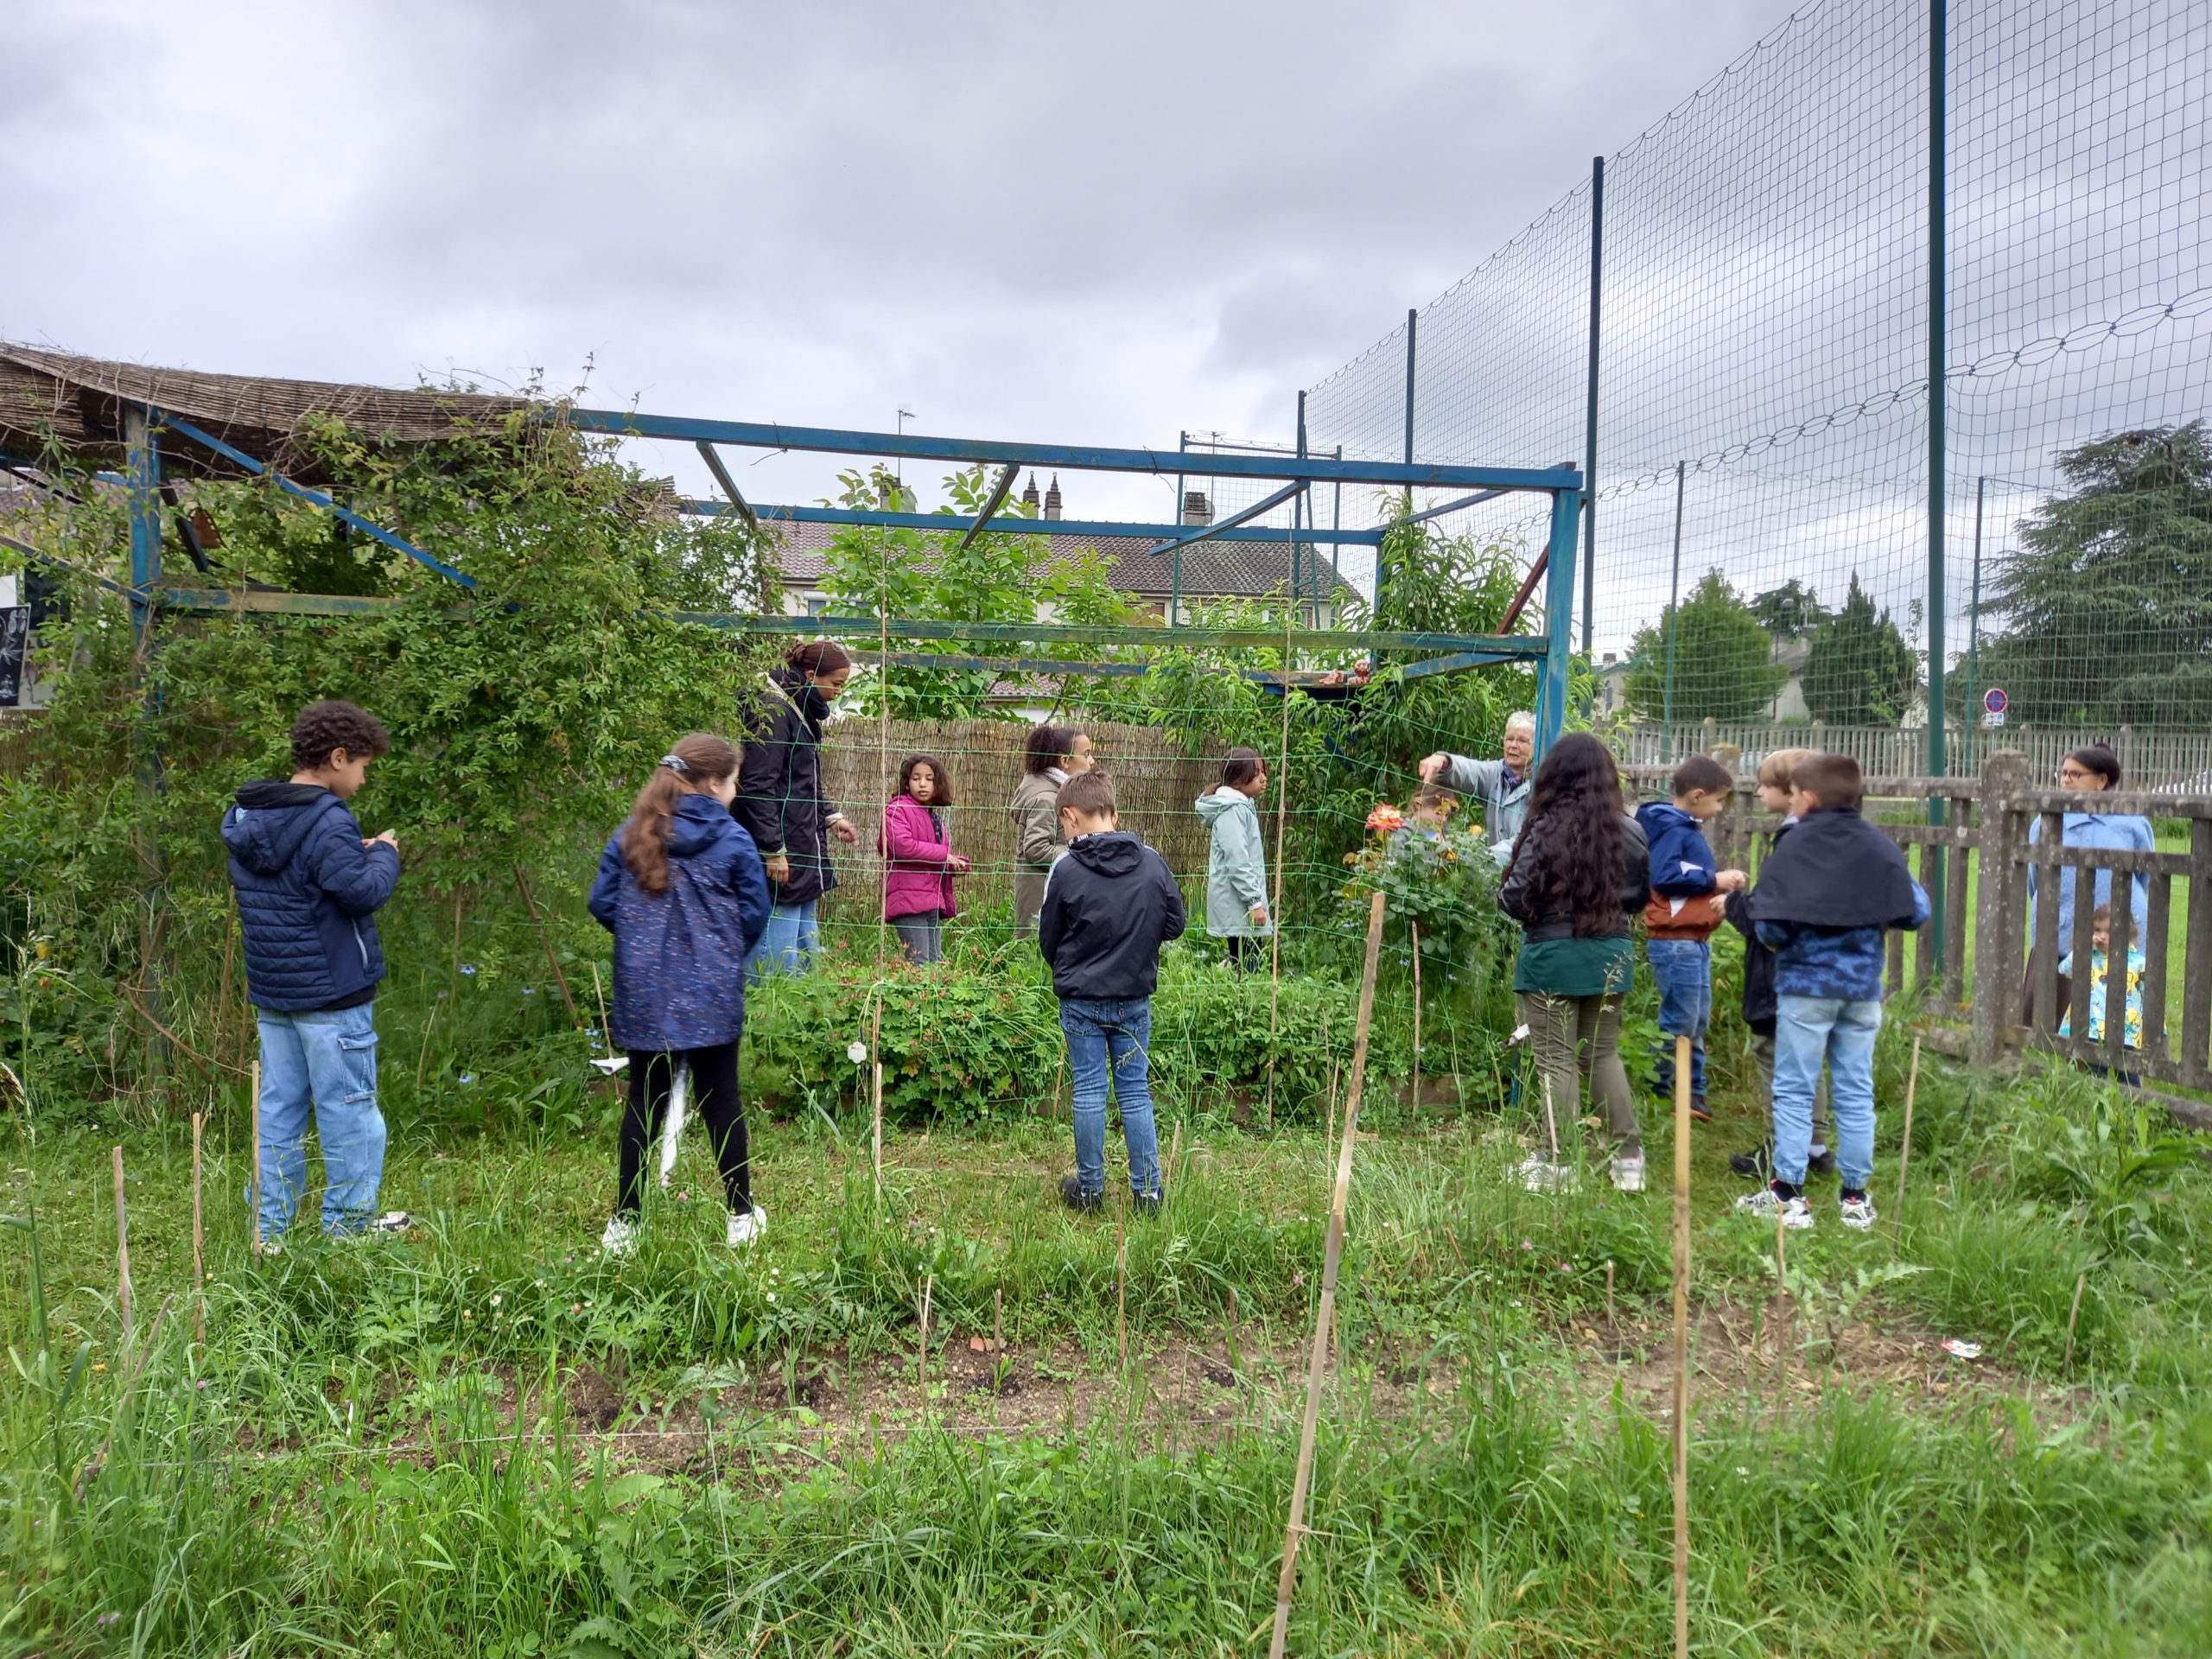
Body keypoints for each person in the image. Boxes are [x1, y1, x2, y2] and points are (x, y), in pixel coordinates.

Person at [221, 699, 410, 1249]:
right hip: (332, 995)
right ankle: (347, 1230)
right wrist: (385, 855)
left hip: (276, 992)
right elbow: (362, 892)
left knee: (279, 1108)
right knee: (349, 1109)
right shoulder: (327, 817)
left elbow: (305, 880)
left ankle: (271, 1233)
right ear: (336, 757)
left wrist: (356, 852)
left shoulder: (248, 816)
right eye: (362, 766)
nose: (363, 778)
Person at [588, 734, 772, 1254]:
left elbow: (602, 903)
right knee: (722, 1100)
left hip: (645, 991)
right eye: (734, 780)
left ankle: (625, 1224)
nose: (735, 791)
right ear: (714, 782)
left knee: (645, 1101)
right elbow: (754, 915)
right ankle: (740, 1215)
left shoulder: (632, 833)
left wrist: (644, 946)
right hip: (712, 990)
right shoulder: (734, 841)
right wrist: (721, 953)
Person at [1737, 753, 1929, 1231]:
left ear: (1811, 797)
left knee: (1796, 1089)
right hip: (1862, 989)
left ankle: (1789, 1197)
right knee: (1855, 1090)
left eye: (1797, 794)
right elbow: (1915, 909)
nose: (1795, 802)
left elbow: (1772, 926)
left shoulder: (1797, 846)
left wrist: (1784, 937)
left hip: (1805, 988)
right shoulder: (1878, 845)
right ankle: (1855, 1200)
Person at [1496, 732, 1652, 1194]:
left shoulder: (1545, 828)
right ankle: (1628, 1161)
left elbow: (1514, 896)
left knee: (1556, 1060)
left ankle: (1558, 1163)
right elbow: (1641, 896)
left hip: (1552, 956)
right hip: (1612, 954)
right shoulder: (1630, 830)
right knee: (1602, 1054)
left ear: (1555, 776)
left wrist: (1533, 914)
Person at [1037, 769, 1186, 1213]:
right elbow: (1175, 924)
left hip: (1081, 1001)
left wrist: (1074, 965)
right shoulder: (1152, 861)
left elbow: (1049, 938)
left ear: (1069, 817)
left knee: (1088, 1091)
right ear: (1114, 813)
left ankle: (1090, 1190)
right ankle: (1148, 1193)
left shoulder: (1064, 869)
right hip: (1133, 998)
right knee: (1135, 1091)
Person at [1723, 748, 1834, 1179]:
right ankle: (1814, 1145)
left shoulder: (1791, 843)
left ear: (1792, 793)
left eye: (1765, 785)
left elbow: (1771, 914)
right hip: (1818, 971)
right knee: (1810, 1059)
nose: (1758, 791)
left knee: (1777, 1060)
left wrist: (1733, 904)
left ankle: (1782, 1146)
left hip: (1782, 973)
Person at [1633, 755, 1748, 1124]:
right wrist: (1715, 879)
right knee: (1680, 1017)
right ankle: (1670, 1086)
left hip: (1693, 939)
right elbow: (1665, 874)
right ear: (1697, 796)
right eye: (1718, 801)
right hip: (1675, 939)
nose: (1719, 809)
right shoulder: (1672, 829)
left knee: (1695, 1018)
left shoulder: (1683, 827)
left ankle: (1687, 1089)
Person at [735, 641, 861, 977]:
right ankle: (765, 1019)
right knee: (774, 963)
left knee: (805, 958)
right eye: (836, 684)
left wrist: (831, 816)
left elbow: (801, 780)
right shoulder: (773, 712)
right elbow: (758, 786)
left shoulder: (797, 709)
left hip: (801, 847)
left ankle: (805, 1016)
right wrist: (773, 849)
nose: (838, 692)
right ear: (809, 675)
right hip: (783, 854)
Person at [2024, 744, 2152, 1025]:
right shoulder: (2046, 822)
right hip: (2058, 933)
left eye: (2076, 774)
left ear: (2102, 781)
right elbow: (2035, 878)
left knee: (2115, 1014)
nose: (2067, 779)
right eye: (2064, 773)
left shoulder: (2132, 823)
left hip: (2114, 937)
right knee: (2047, 1017)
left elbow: (2144, 877)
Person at [881, 753, 970, 964]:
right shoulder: (897, 809)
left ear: (938, 784)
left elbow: (934, 856)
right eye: (916, 778)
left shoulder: (934, 816)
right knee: (919, 966)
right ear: (906, 782)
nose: (923, 784)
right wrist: (944, 856)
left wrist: (954, 864)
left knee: (934, 966)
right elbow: (903, 847)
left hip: (931, 901)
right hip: (909, 902)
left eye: (929, 779)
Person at [1010, 724, 1096, 938]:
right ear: (1065, 761)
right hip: (1039, 894)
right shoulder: (1046, 799)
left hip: (1054, 888)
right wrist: (1079, 852)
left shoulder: (1057, 791)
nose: (1092, 761)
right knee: (1031, 955)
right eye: (1086, 755)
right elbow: (1035, 848)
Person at [1417, 710, 1535, 857]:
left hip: (1528, 873)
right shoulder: (1496, 773)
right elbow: (1471, 770)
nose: (1513, 745)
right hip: (1494, 873)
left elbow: (1526, 841)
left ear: (1536, 747)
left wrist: (1482, 859)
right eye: (1509, 739)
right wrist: (1445, 761)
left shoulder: (1543, 785)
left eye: (1522, 741)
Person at [1196, 747, 1272, 971]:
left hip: (1241, 902)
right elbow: (1237, 861)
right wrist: (1254, 902)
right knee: (1248, 963)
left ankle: (1236, 988)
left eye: (1263, 771)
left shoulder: (1241, 807)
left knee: (1246, 959)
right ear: (1238, 780)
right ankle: (1241, 1000)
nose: (1263, 777)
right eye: (1256, 772)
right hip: (1239, 903)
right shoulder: (1232, 811)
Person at [2059, 903, 2145, 1085]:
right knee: (2094, 1073)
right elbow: (2065, 969)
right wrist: (2083, 948)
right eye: (2097, 930)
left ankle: (2134, 1104)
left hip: (2124, 1031)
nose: (2102, 936)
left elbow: (2149, 996)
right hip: (2091, 1029)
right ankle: (2096, 1104)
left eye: (2109, 931)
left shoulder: (2137, 963)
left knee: (2127, 1075)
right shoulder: (2087, 956)